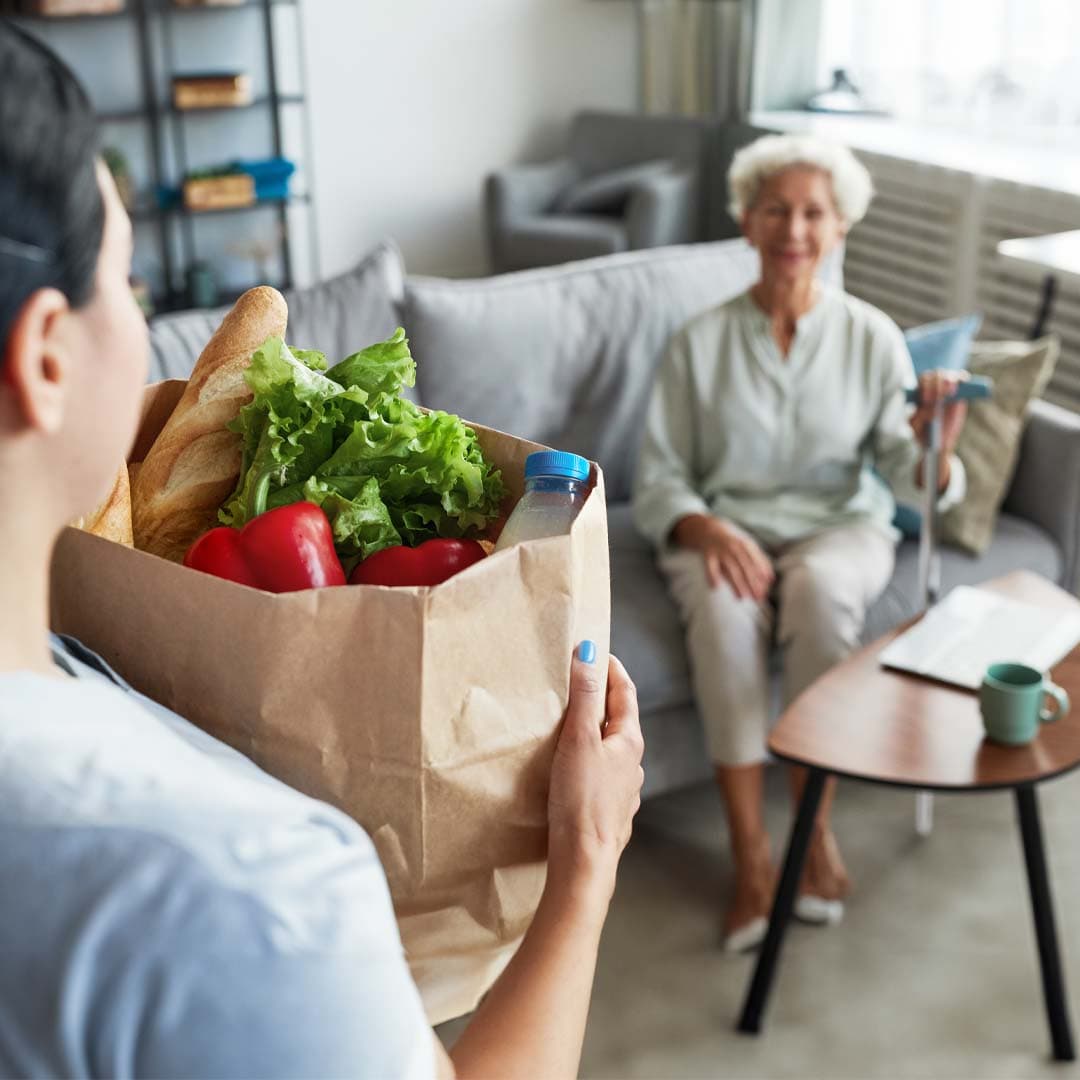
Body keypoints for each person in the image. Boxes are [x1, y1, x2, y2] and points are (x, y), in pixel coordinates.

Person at [0, 25, 644, 1079]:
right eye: (127, 285)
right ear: (43, 358)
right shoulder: (245, 892)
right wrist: (586, 870)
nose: (144, 327)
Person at [632, 134, 968, 952]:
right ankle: (752, 852)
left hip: (838, 525)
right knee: (720, 609)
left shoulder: (871, 336)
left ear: (840, 228)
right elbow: (659, 476)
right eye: (776, 209)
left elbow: (910, 477)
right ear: (747, 223)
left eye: (813, 212)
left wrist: (939, 443)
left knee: (822, 595)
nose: (794, 228)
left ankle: (813, 827)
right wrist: (704, 525)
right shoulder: (698, 342)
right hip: (726, 522)